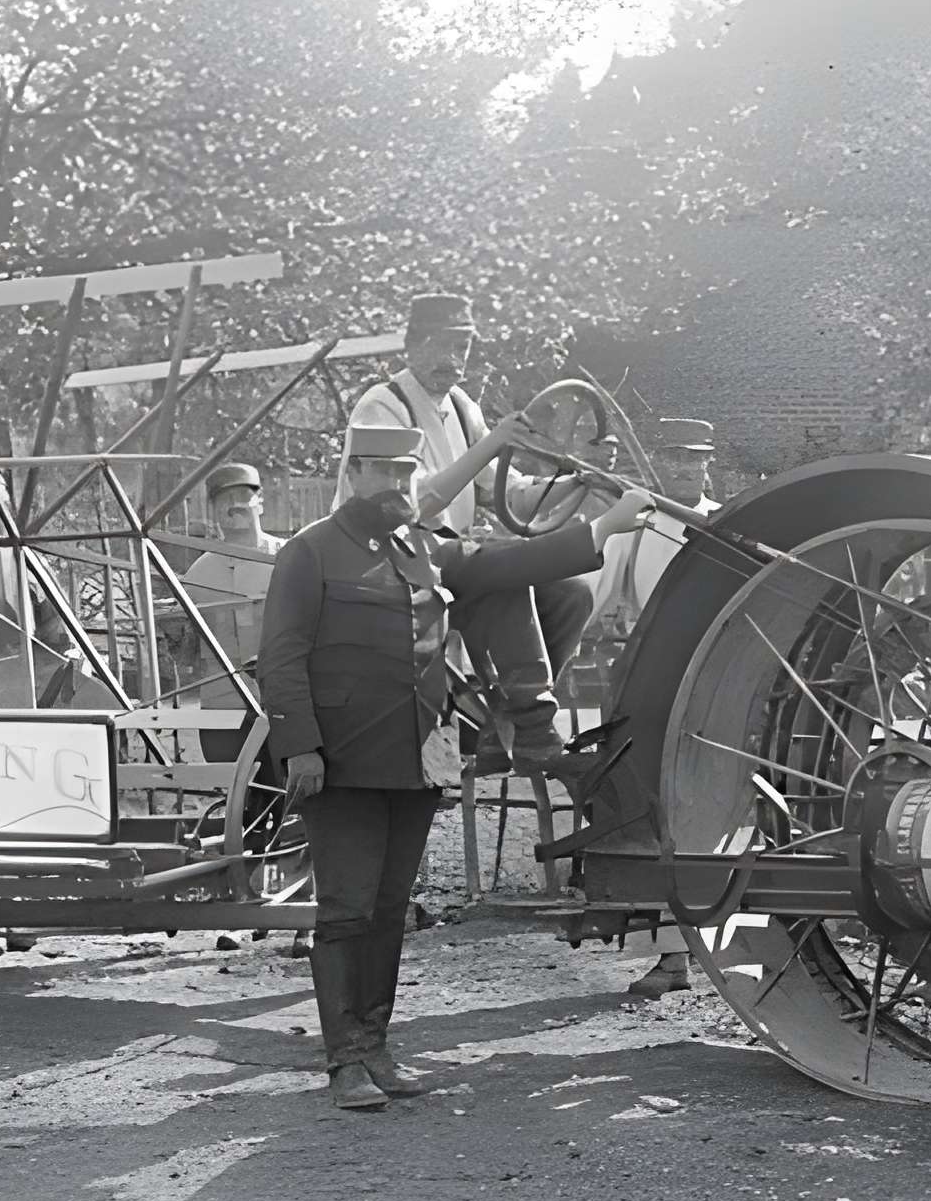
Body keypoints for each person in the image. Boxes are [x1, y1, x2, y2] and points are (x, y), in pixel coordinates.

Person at [259, 390, 654, 1112]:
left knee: (387, 909)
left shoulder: (423, 551)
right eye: (381, 473)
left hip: (412, 761)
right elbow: (280, 660)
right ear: (352, 475)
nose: (396, 487)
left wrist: (602, 527)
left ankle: (375, 1049)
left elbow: (511, 566)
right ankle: (343, 1062)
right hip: (340, 763)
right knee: (344, 911)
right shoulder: (308, 553)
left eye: (407, 473)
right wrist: (301, 751)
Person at [358, 289, 596, 778]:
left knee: (571, 592)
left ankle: (502, 725)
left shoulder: (463, 408)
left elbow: (505, 496)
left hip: (450, 562)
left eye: (462, 346)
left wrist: (579, 477)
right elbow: (409, 503)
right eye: (441, 344)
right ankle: (534, 729)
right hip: (387, 561)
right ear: (411, 346)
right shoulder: (384, 404)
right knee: (501, 574)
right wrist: (491, 445)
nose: (453, 358)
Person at [590, 419, 725, 998]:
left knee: (717, 814)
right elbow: (595, 602)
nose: (683, 469)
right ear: (658, 463)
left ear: (707, 464)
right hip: (654, 690)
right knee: (655, 817)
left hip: (721, 685)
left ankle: (731, 952)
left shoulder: (728, 521)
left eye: (693, 459)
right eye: (673, 458)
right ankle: (673, 958)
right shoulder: (637, 527)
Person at [179, 463, 282, 763]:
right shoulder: (198, 575)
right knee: (233, 800)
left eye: (243, 496)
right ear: (213, 510)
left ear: (260, 502)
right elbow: (186, 655)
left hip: (281, 706)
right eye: (224, 499)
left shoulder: (289, 559)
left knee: (286, 797)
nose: (234, 505)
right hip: (223, 709)